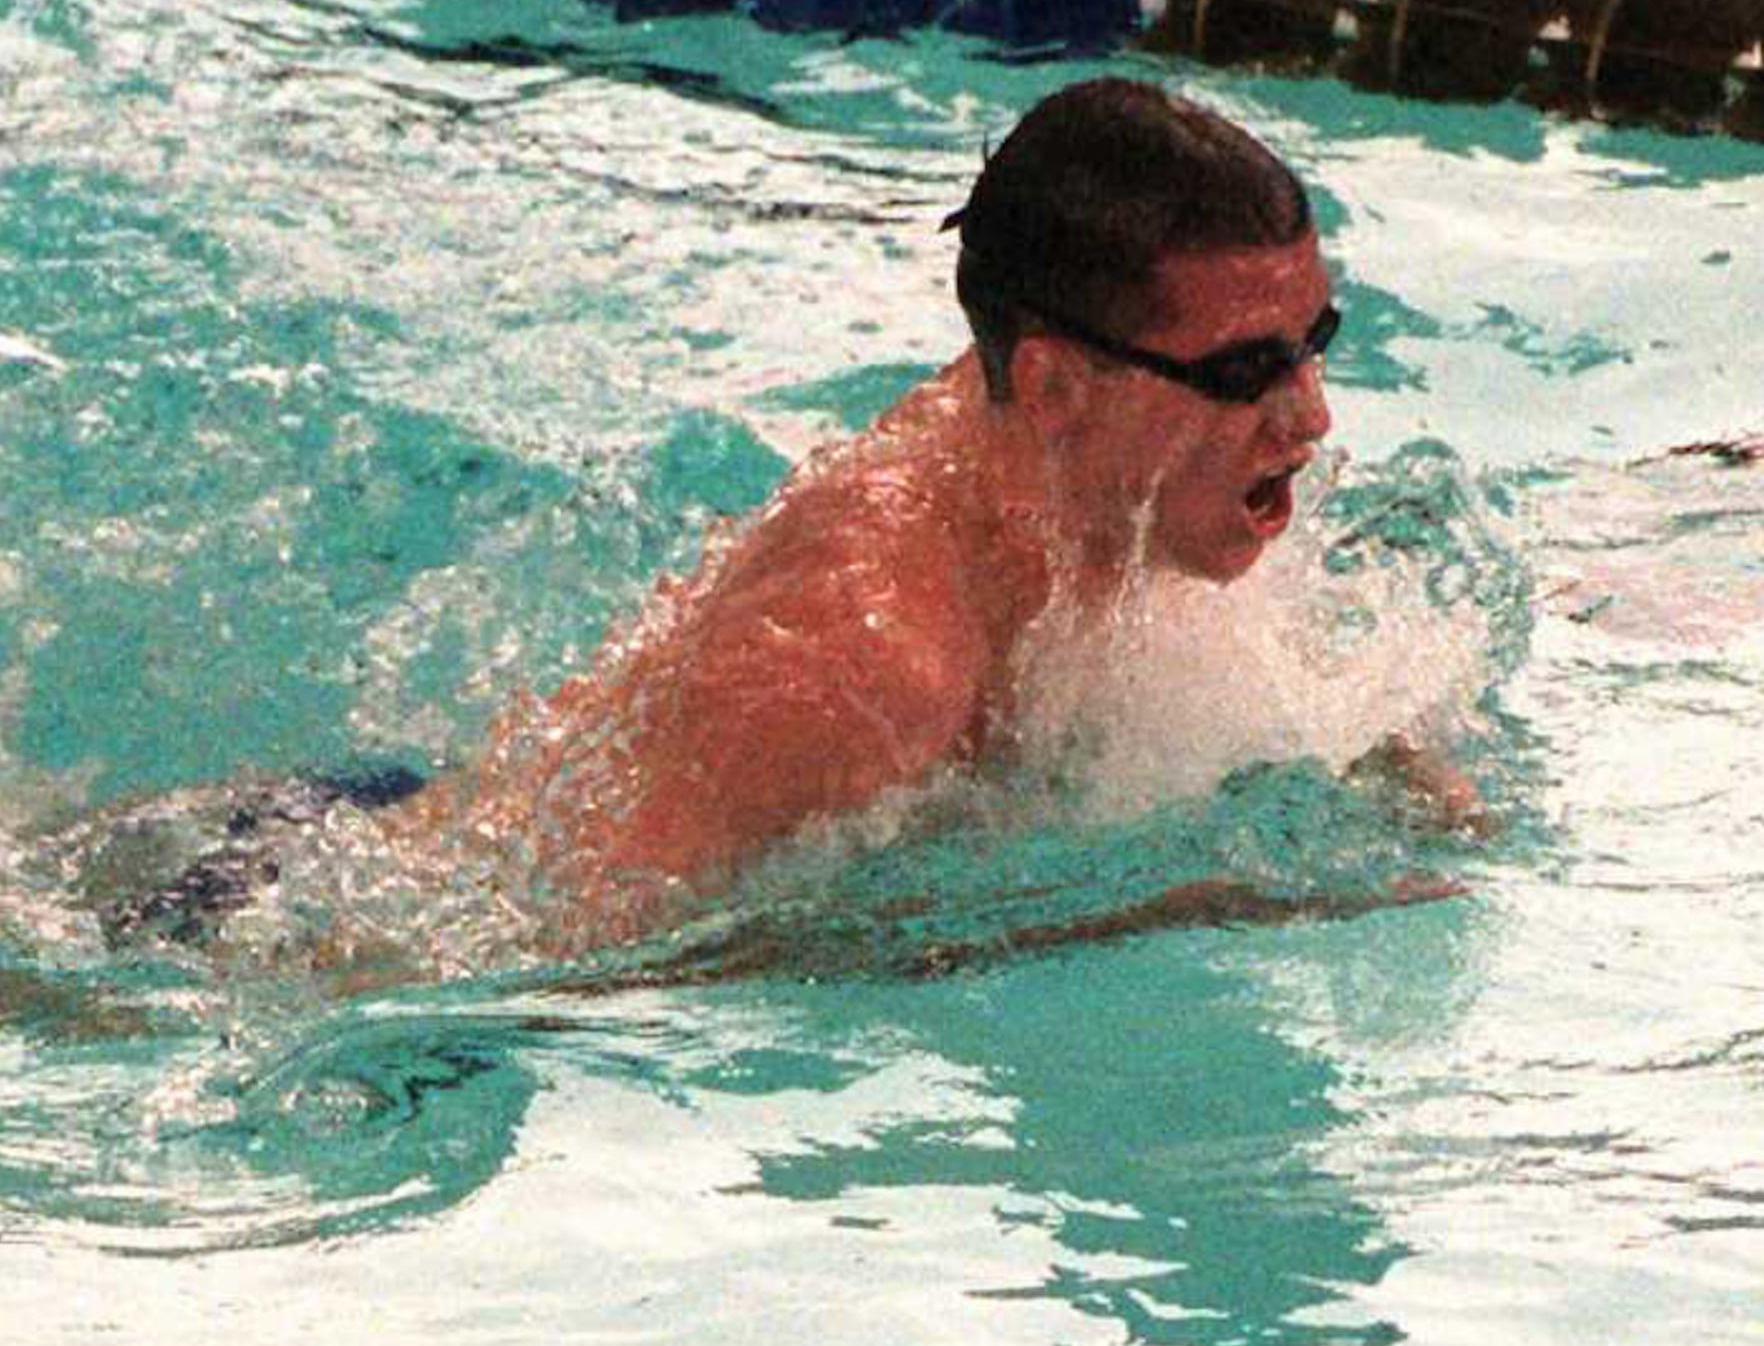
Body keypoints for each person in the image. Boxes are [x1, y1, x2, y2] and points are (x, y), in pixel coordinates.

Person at [391, 73, 1468, 944]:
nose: (1309, 418)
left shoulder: (1123, 472)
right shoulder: (864, 661)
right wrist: (1172, 906)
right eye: (1246, 371)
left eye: (1312, 346)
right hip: (348, 913)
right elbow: (575, 969)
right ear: (1052, 387)